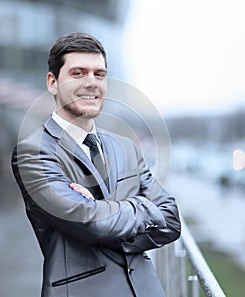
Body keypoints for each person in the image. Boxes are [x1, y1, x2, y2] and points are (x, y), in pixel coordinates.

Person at [11, 32, 181, 297]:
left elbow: (171, 220)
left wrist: (105, 212)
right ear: (52, 82)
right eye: (78, 73)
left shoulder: (126, 148)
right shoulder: (33, 152)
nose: (92, 83)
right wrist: (144, 210)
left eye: (99, 74)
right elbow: (92, 223)